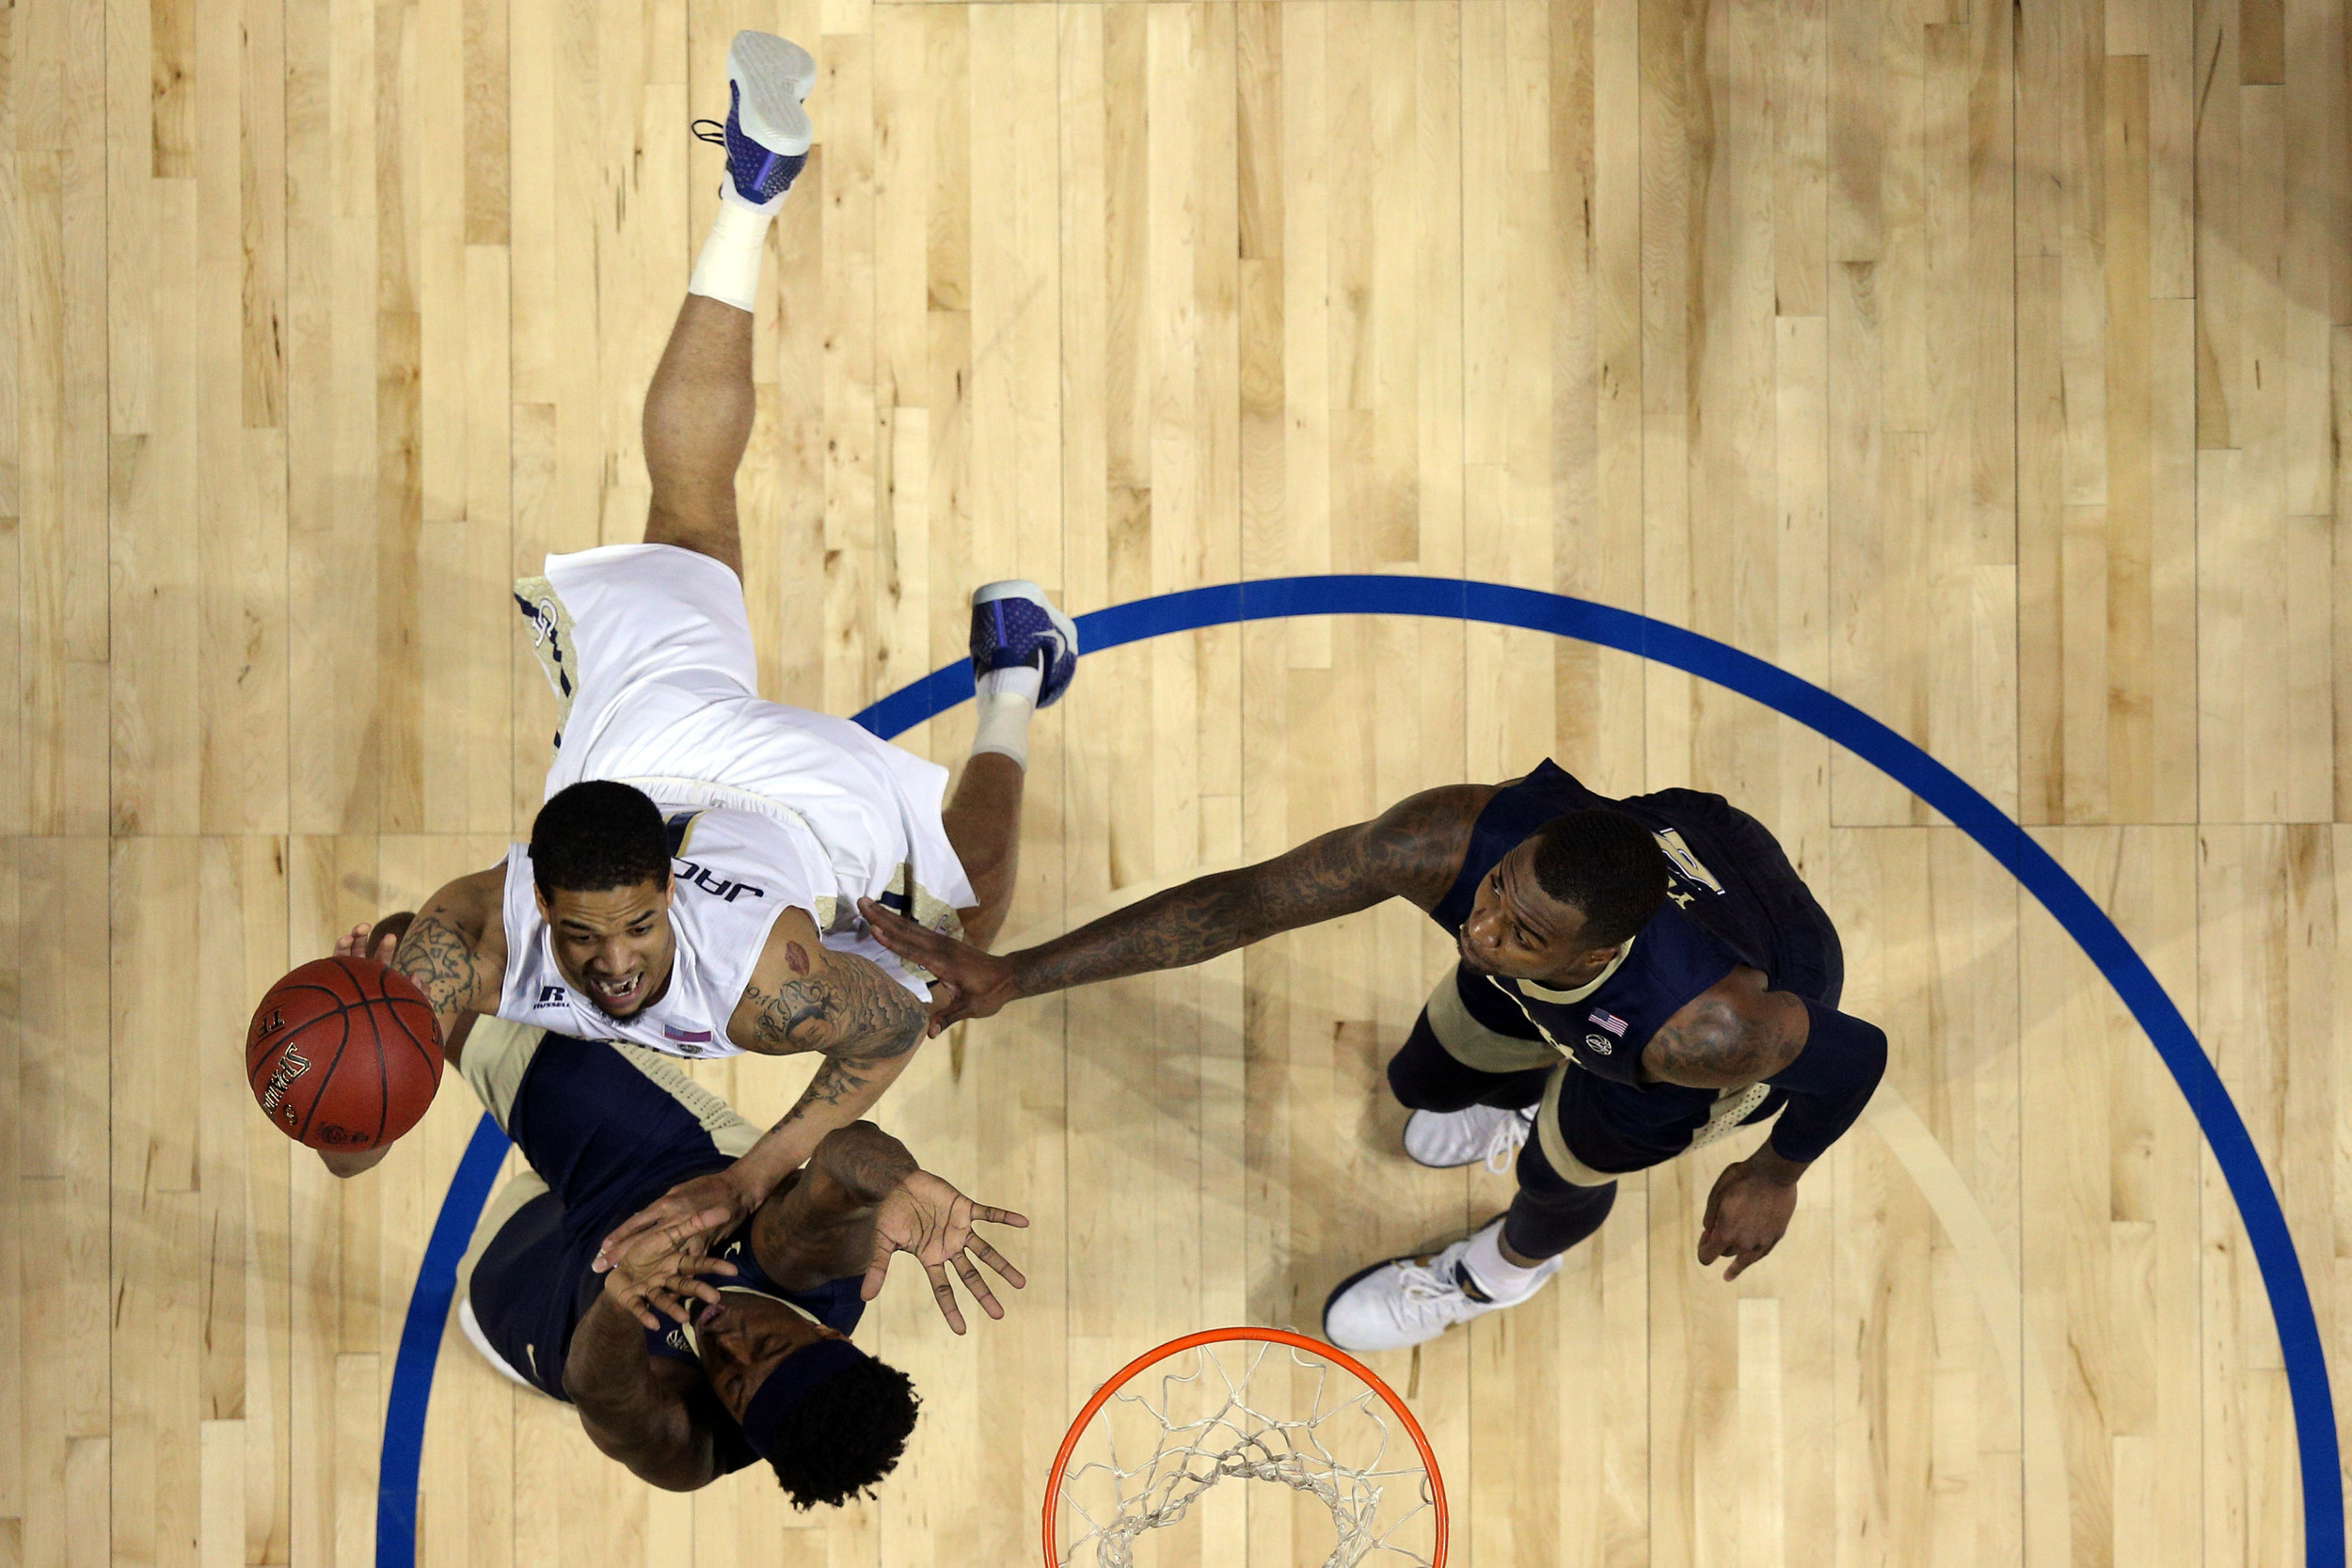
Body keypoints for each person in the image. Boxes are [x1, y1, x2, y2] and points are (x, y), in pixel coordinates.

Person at [346, 33, 1077, 1310]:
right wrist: (356, 1020)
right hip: (641, 746)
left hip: (793, 800)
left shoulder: (762, 980)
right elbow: (357, 1126)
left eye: (632, 928)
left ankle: (1010, 676)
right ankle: (750, 186)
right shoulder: (463, 934)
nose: (618, 964)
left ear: (665, 901)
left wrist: (750, 1181)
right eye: (587, 934)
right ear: (537, 896)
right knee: (687, 512)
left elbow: (895, 1021)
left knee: (972, 913)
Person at [861, 761, 1888, 1354]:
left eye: (1521, 932)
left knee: (1565, 1164)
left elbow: (1853, 1057)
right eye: (1495, 893)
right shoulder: (1455, 841)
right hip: (1683, 849)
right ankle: (1521, 1086)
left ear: (1595, 951)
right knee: (1425, 1079)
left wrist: (1774, 1167)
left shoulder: (1703, 1033)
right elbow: (1247, 901)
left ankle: (1499, 1271)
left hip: (1741, 989)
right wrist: (1020, 972)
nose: (1482, 928)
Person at [329, 921, 1027, 1501]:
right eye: (768, 1345)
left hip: (547, 1288)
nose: (729, 1342)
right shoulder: (814, 1269)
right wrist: (894, 1177)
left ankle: (358, 1131)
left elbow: (597, 1390)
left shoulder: (688, 1449)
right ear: (830, 1337)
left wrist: (618, 1298)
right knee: (416, 966)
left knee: (469, 1303)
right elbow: (846, 1157)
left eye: (732, 1384)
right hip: (649, 1164)